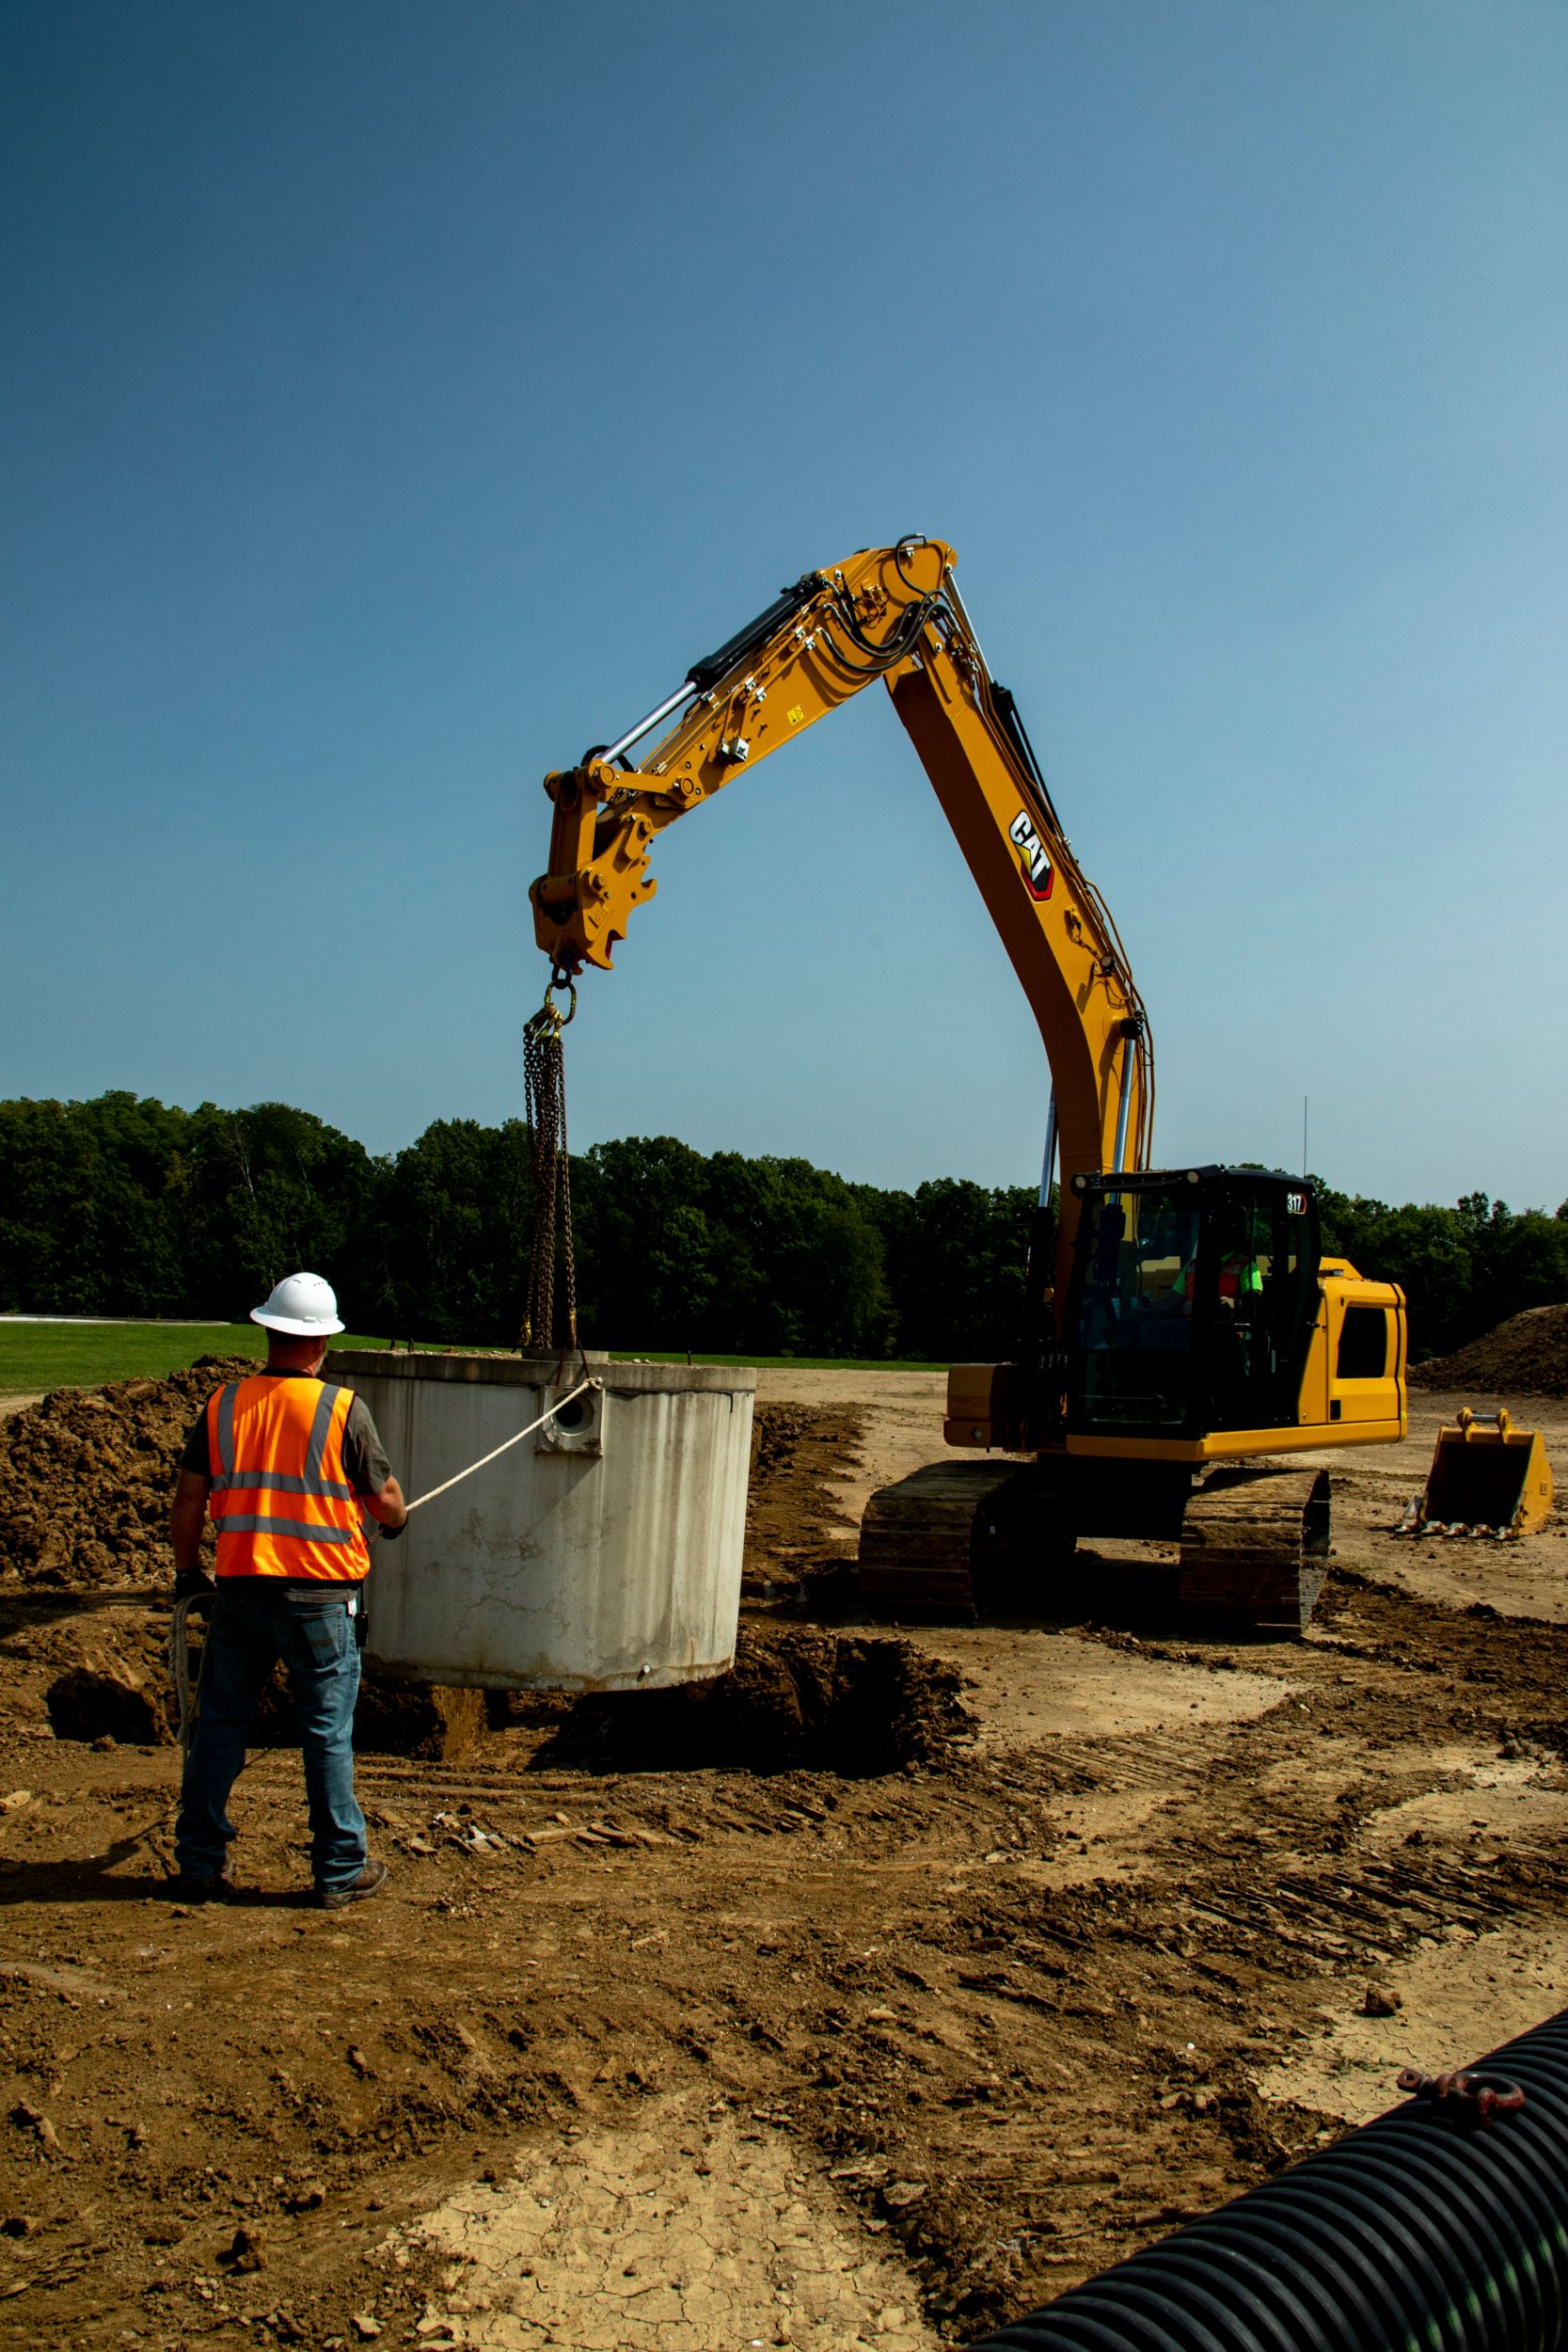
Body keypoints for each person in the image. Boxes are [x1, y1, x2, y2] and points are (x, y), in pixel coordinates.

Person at [167, 1272, 407, 1910]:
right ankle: (337, 1871)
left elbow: (189, 1498)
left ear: (269, 1330)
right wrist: (397, 1518)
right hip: (321, 1599)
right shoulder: (340, 1409)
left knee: (219, 1725)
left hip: (241, 1591)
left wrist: (187, 1570)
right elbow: (383, 1502)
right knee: (326, 1732)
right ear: (323, 1340)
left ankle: (198, 1863)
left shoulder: (220, 1406)